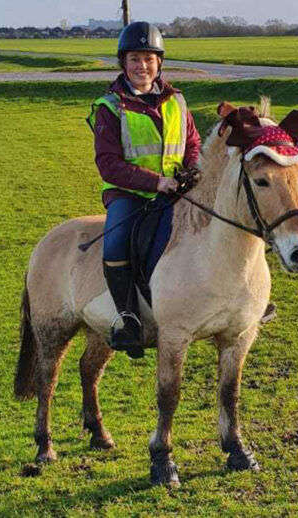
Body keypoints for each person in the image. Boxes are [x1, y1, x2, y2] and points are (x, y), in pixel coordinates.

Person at [86, 21, 201, 358]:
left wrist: (190, 170)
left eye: (149, 59)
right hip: (129, 194)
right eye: (135, 59)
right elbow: (109, 164)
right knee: (116, 245)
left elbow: (191, 141)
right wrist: (155, 182)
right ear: (124, 63)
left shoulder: (176, 100)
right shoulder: (110, 107)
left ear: (159, 63)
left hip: (175, 189)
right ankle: (129, 319)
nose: (142, 66)